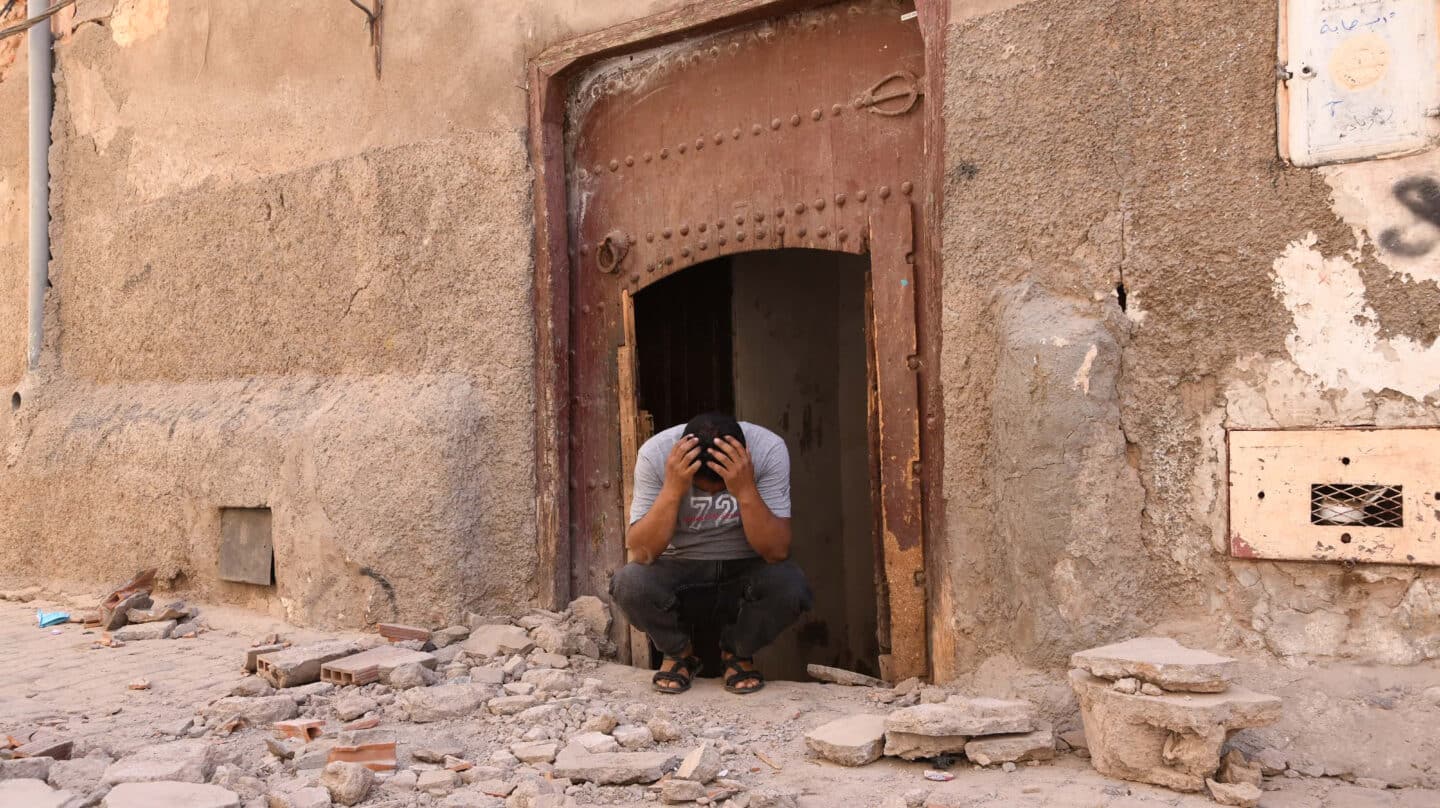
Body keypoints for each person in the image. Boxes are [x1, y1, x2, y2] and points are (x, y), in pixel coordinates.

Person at [610, 412, 812, 695]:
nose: (714, 497)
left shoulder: (768, 449)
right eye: (702, 489)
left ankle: (737, 654)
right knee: (629, 583)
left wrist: (744, 489)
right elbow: (643, 553)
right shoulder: (655, 454)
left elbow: (776, 551)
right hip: (681, 572)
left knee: (791, 584)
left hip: (744, 574)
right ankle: (680, 654)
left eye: (720, 490)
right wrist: (672, 489)